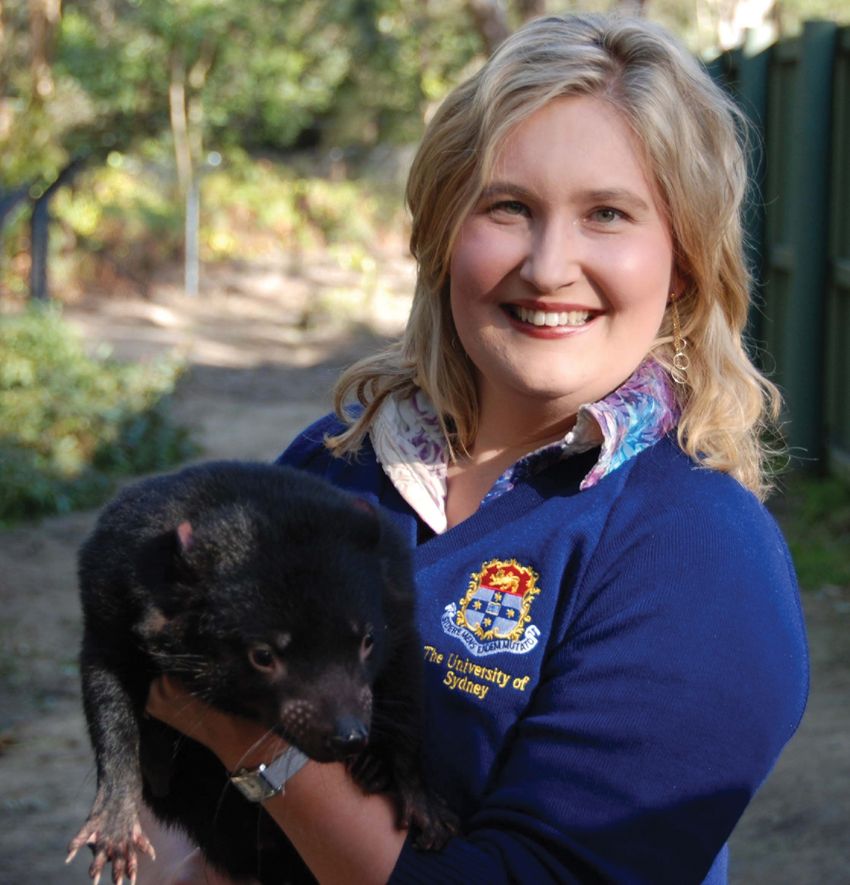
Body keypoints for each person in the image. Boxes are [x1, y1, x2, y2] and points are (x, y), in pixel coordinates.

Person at [144, 12, 808, 884]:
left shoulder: (698, 552)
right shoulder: (333, 463)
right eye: (508, 207)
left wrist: (258, 743)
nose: (548, 265)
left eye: (608, 214)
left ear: (681, 260)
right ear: (443, 235)